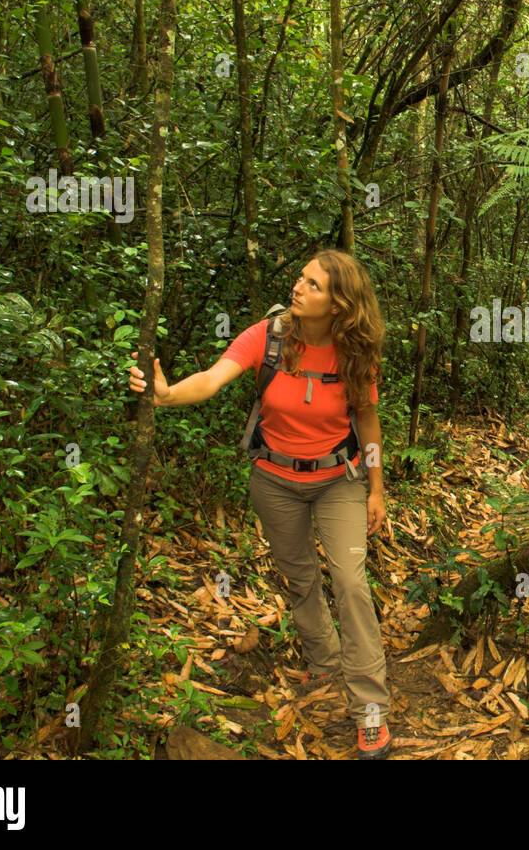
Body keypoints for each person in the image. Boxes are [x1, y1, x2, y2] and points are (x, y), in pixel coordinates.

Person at [129, 248, 393, 759]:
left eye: (313, 285)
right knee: (299, 575)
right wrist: (165, 394)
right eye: (300, 278)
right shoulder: (268, 337)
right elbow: (211, 378)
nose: (298, 287)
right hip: (273, 480)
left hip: (338, 479)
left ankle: (370, 711)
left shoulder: (355, 352)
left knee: (352, 583)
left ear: (339, 303)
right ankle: (324, 660)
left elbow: (368, 422)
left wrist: (377, 487)